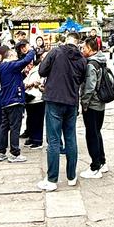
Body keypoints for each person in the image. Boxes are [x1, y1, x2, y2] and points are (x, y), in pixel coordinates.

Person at [37, 32, 87, 191]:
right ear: (78, 42)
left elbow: (42, 71)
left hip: (54, 98)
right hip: (71, 101)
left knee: (53, 140)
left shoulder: (55, 52)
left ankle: (52, 179)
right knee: (71, 138)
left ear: (66, 40)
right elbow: (81, 79)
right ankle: (71, 176)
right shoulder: (82, 59)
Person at [0, 41, 36, 163]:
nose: (16, 57)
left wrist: (23, 74)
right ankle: (14, 153)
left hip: (5, 101)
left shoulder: (1, 67)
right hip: (14, 100)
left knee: (4, 126)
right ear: (10, 56)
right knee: (15, 127)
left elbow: (14, 78)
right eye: (14, 55)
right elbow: (26, 60)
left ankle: (1, 152)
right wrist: (31, 50)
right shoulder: (11, 65)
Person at [80, 36, 109, 179]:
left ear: (90, 49)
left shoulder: (91, 64)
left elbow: (90, 87)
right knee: (97, 132)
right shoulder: (101, 61)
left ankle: (95, 167)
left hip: (92, 104)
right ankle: (102, 161)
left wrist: (84, 102)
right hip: (101, 103)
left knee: (91, 134)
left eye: (84, 48)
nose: (82, 50)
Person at [23, 63, 45, 148]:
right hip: (30, 97)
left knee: (37, 120)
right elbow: (25, 82)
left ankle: (37, 140)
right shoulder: (32, 70)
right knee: (31, 119)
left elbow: (42, 82)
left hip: (38, 98)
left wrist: (38, 85)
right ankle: (32, 138)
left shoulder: (42, 69)